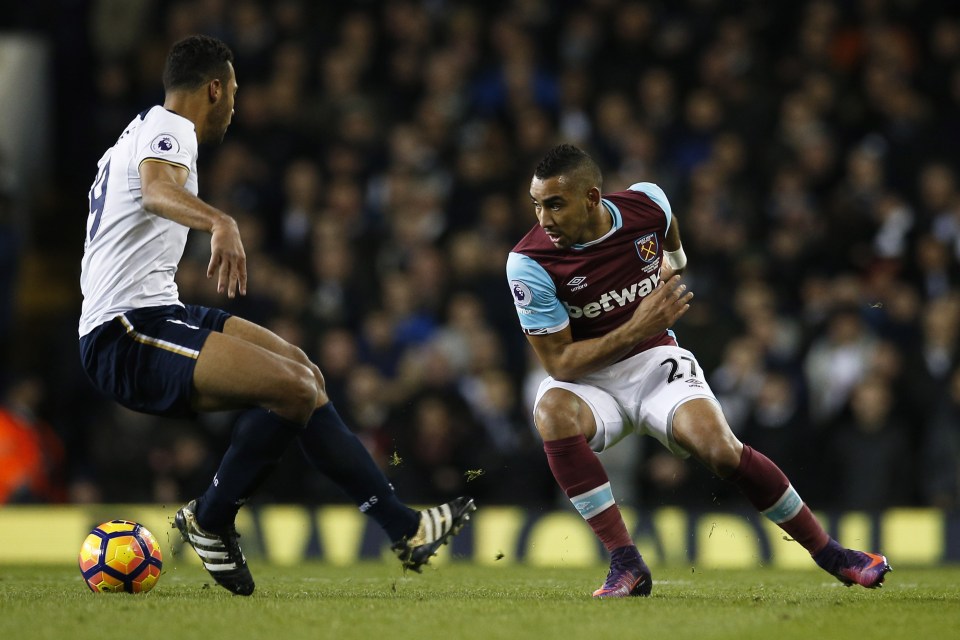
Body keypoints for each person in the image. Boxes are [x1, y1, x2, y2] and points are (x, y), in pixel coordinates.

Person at [78, 34, 475, 596]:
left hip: (156, 312)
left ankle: (403, 528)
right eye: (234, 91)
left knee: (304, 375)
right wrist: (220, 221)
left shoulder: (141, 130)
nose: (237, 105)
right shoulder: (172, 129)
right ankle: (211, 518)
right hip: (124, 332)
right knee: (288, 388)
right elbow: (156, 191)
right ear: (214, 88)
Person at [506, 144, 891, 598]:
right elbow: (559, 362)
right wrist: (636, 326)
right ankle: (625, 562)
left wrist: (677, 267)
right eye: (537, 204)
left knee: (722, 450)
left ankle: (833, 554)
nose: (543, 219)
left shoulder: (647, 203)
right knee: (550, 412)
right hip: (588, 379)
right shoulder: (529, 262)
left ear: (591, 198)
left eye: (554, 204)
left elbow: (671, 240)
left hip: (654, 362)